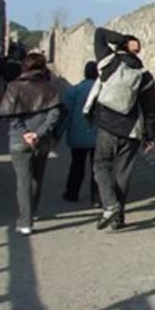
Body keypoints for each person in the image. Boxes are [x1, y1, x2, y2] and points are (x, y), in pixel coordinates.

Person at [87, 27, 155, 231]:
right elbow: (150, 109)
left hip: (108, 124)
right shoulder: (145, 75)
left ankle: (110, 205)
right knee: (122, 174)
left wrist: (123, 40)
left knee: (100, 166)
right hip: (132, 130)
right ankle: (119, 218)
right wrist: (150, 136)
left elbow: (99, 33)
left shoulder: (108, 61)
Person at [0, 52, 62, 235]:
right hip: (42, 141)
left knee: (23, 179)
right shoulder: (50, 89)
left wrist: (25, 133)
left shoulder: (14, 87)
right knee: (37, 177)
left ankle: (25, 221)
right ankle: (31, 213)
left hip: (19, 139)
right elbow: (54, 115)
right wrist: (38, 134)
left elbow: (11, 115)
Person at [61, 61, 99, 205]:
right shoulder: (102, 90)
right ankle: (96, 198)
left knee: (77, 165)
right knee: (97, 167)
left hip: (77, 134)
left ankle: (72, 193)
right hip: (98, 135)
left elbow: (65, 113)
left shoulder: (73, 90)